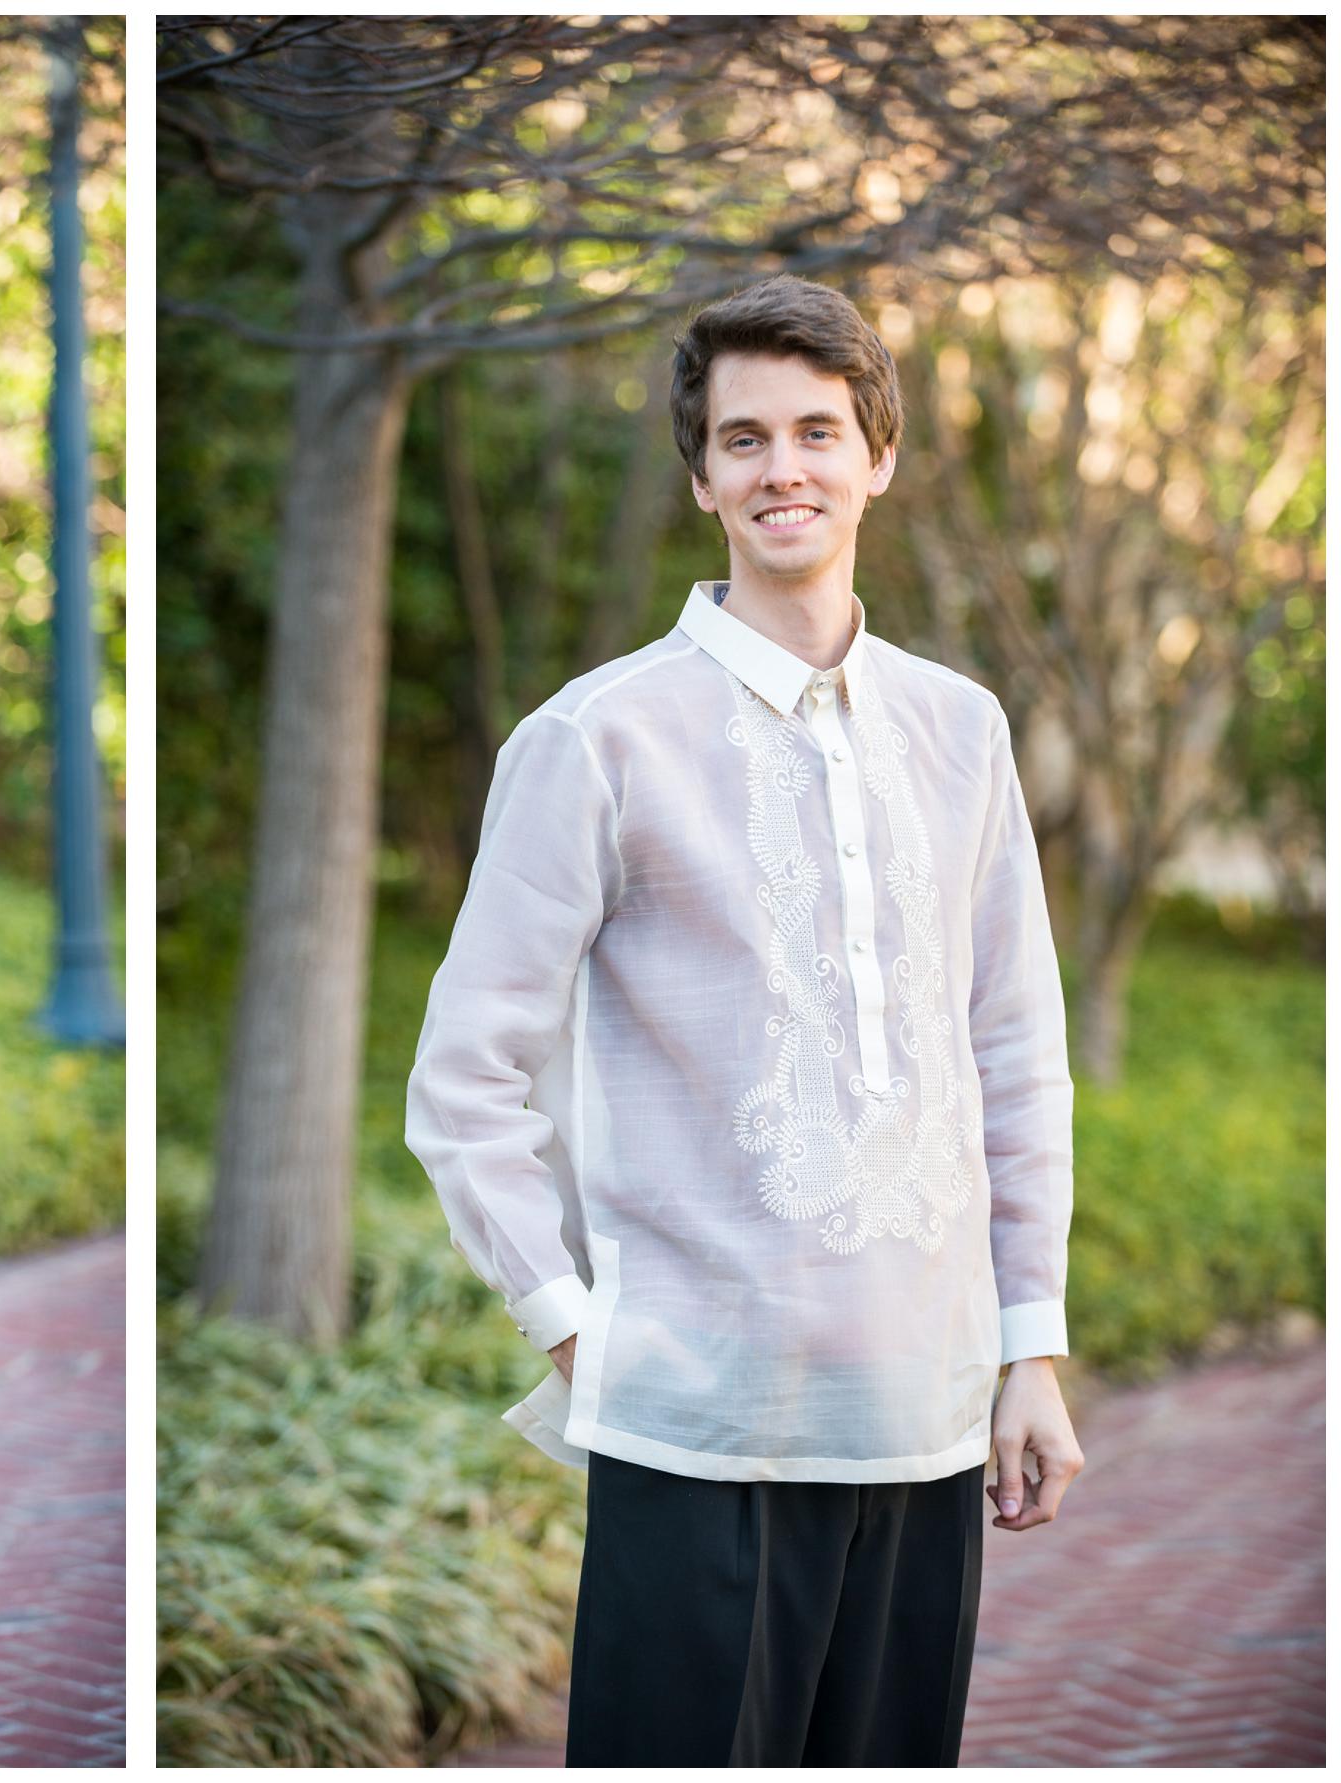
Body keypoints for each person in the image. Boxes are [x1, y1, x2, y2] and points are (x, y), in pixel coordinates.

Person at [404, 276, 1084, 1766]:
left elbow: (1013, 1055)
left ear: (878, 458)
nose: (786, 467)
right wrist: (573, 1329)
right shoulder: (595, 738)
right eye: (747, 438)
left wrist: (1027, 1344)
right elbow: (462, 1080)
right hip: (697, 1422)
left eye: (820, 433)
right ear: (702, 477)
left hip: (926, 1413)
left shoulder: (961, 729)